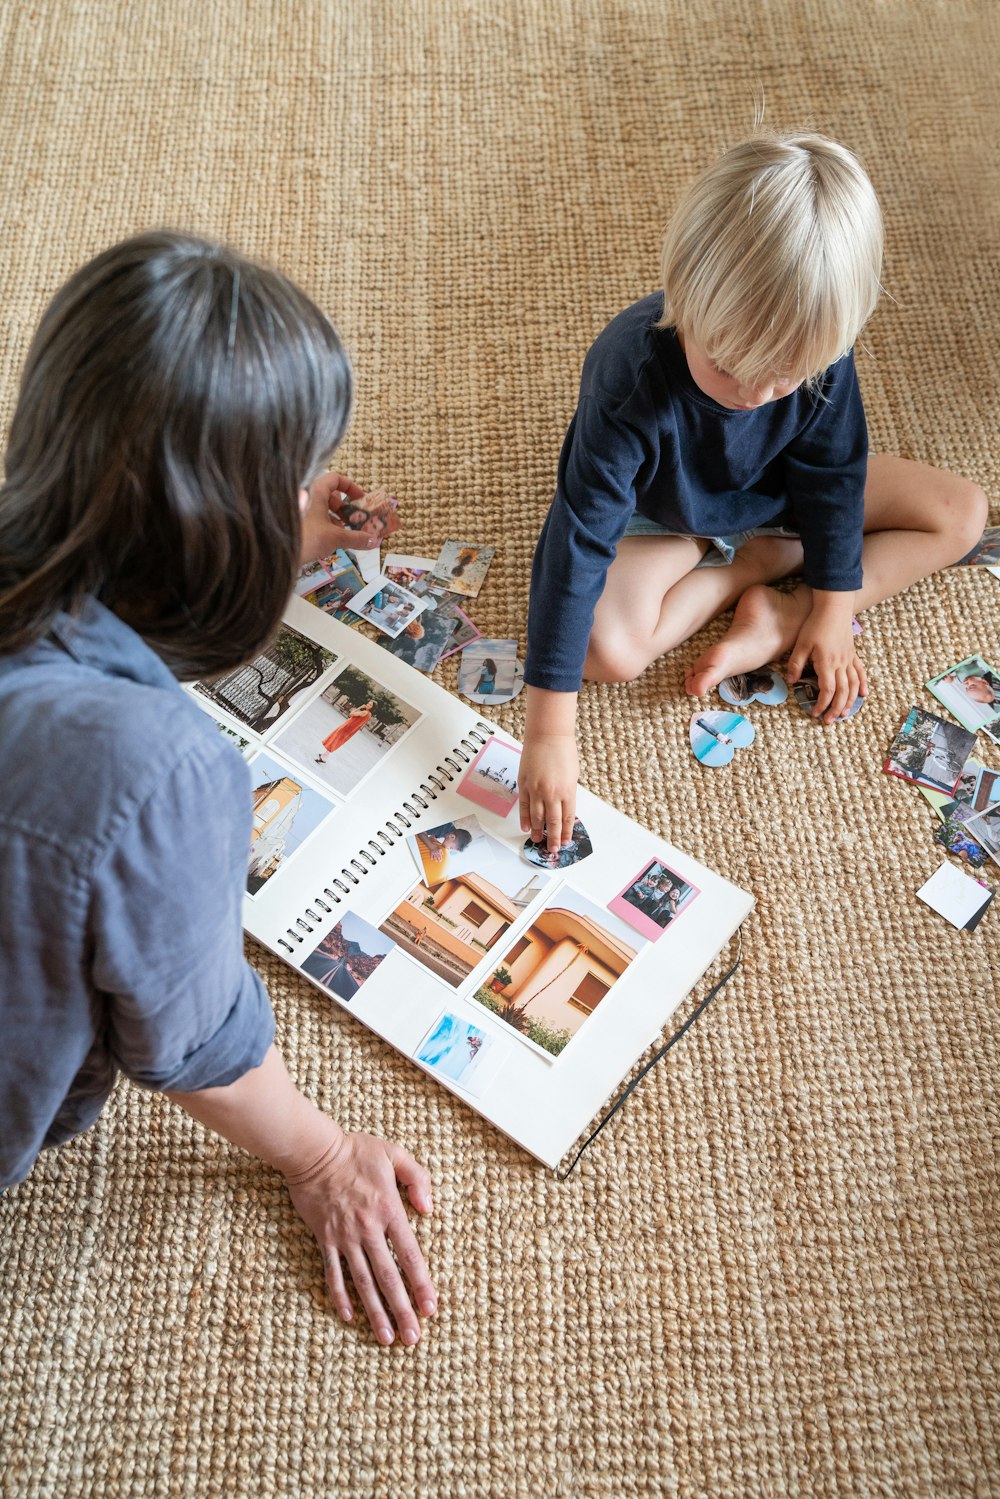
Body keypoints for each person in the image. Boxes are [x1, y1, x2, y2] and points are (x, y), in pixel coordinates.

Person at [0, 232, 437, 1347]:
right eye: (285, 485)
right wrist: (324, 1155)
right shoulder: (156, 769)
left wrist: (268, 529)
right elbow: (190, 1036)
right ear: (211, 531)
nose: (304, 500)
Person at [519, 130, 988, 849]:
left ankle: (783, 598)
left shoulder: (820, 353)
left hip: (784, 500)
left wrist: (832, 611)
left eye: (787, 376)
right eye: (732, 365)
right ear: (684, 289)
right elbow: (578, 535)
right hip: (668, 517)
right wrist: (550, 728)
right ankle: (748, 566)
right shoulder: (629, 373)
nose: (758, 392)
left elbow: (833, 480)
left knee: (963, 513)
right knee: (601, 652)